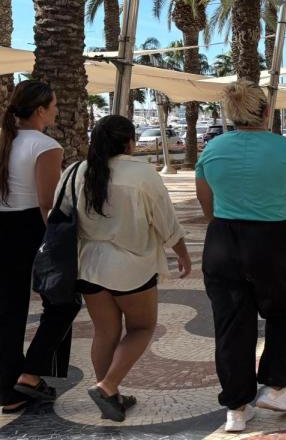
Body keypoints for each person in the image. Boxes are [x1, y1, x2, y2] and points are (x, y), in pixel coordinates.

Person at [196, 81, 286, 433]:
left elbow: (205, 203)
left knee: (231, 325)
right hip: (274, 240)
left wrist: (223, 228)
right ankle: (274, 386)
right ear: (266, 112)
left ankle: (236, 410)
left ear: (231, 113)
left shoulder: (211, 151)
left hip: (223, 240)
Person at [62, 115, 192, 422]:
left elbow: (59, 215)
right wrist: (182, 254)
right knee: (141, 328)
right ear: (129, 141)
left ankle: (112, 396)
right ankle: (107, 387)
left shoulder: (77, 171)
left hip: (90, 266)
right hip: (132, 267)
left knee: (104, 333)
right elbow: (165, 221)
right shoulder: (141, 175)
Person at [0, 80, 81, 415]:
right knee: (63, 303)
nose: (57, 110)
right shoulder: (45, 146)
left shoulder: (5, 139)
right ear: (39, 110)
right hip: (29, 229)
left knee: (8, 310)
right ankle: (29, 375)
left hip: (3, 227)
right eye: (55, 105)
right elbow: (47, 205)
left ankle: (10, 389)